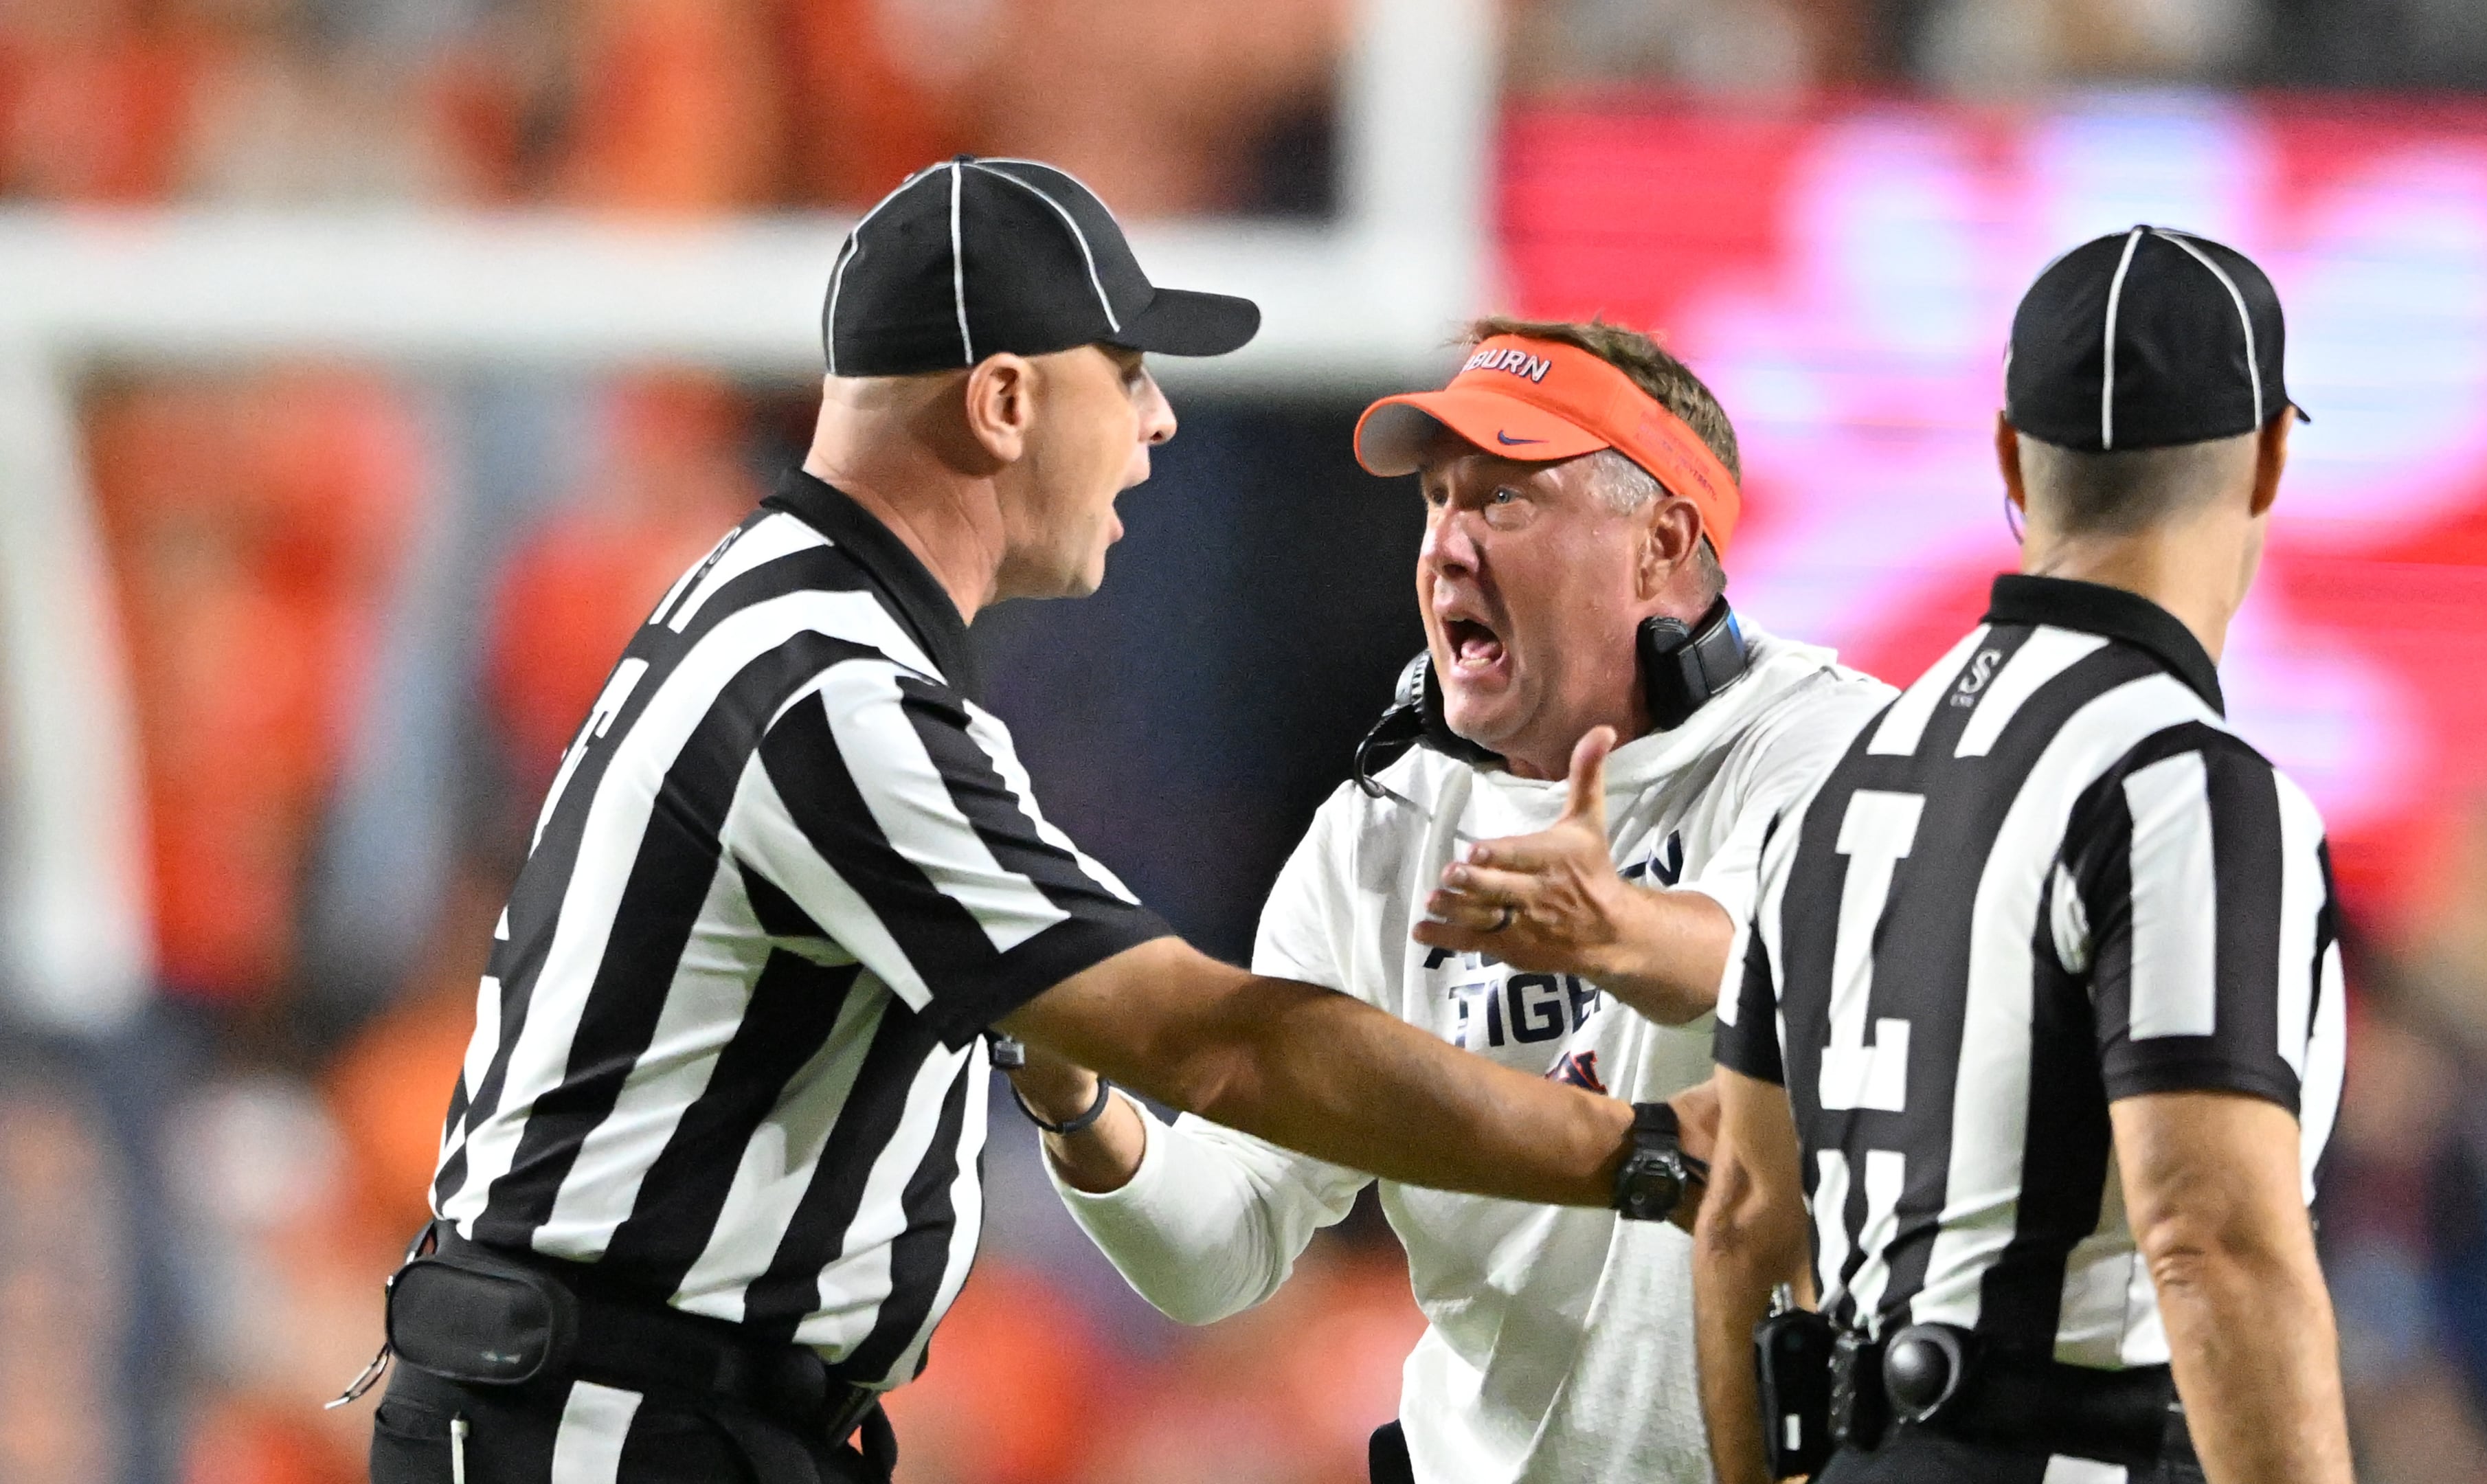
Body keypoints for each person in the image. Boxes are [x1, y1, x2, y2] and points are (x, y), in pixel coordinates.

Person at [356, 157, 1702, 1484]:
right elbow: (1208, 1043)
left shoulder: (799, 617)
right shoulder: (832, 692)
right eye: (1124, 376)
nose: (1161, 420)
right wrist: (1628, 1148)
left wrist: (1071, 1087)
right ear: (1002, 401)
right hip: (609, 1430)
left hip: (656, 1417)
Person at [1006, 317, 1893, 1484]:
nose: (1447, 549)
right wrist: (1075, 1103)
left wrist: (1615, 929)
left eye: (1505, 501)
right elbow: (1221, 1249)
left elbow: (1767, 969)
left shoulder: (1832, 741)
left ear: (1661, 541)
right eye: (1436, 501)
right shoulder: (1384, 826)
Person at [1694, 227, 2352, 1484]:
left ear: (2010, 456)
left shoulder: (1837, 778)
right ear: (2271, 458)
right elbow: (2213, 1240)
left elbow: (1739, 1218)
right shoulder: (2186, 783)